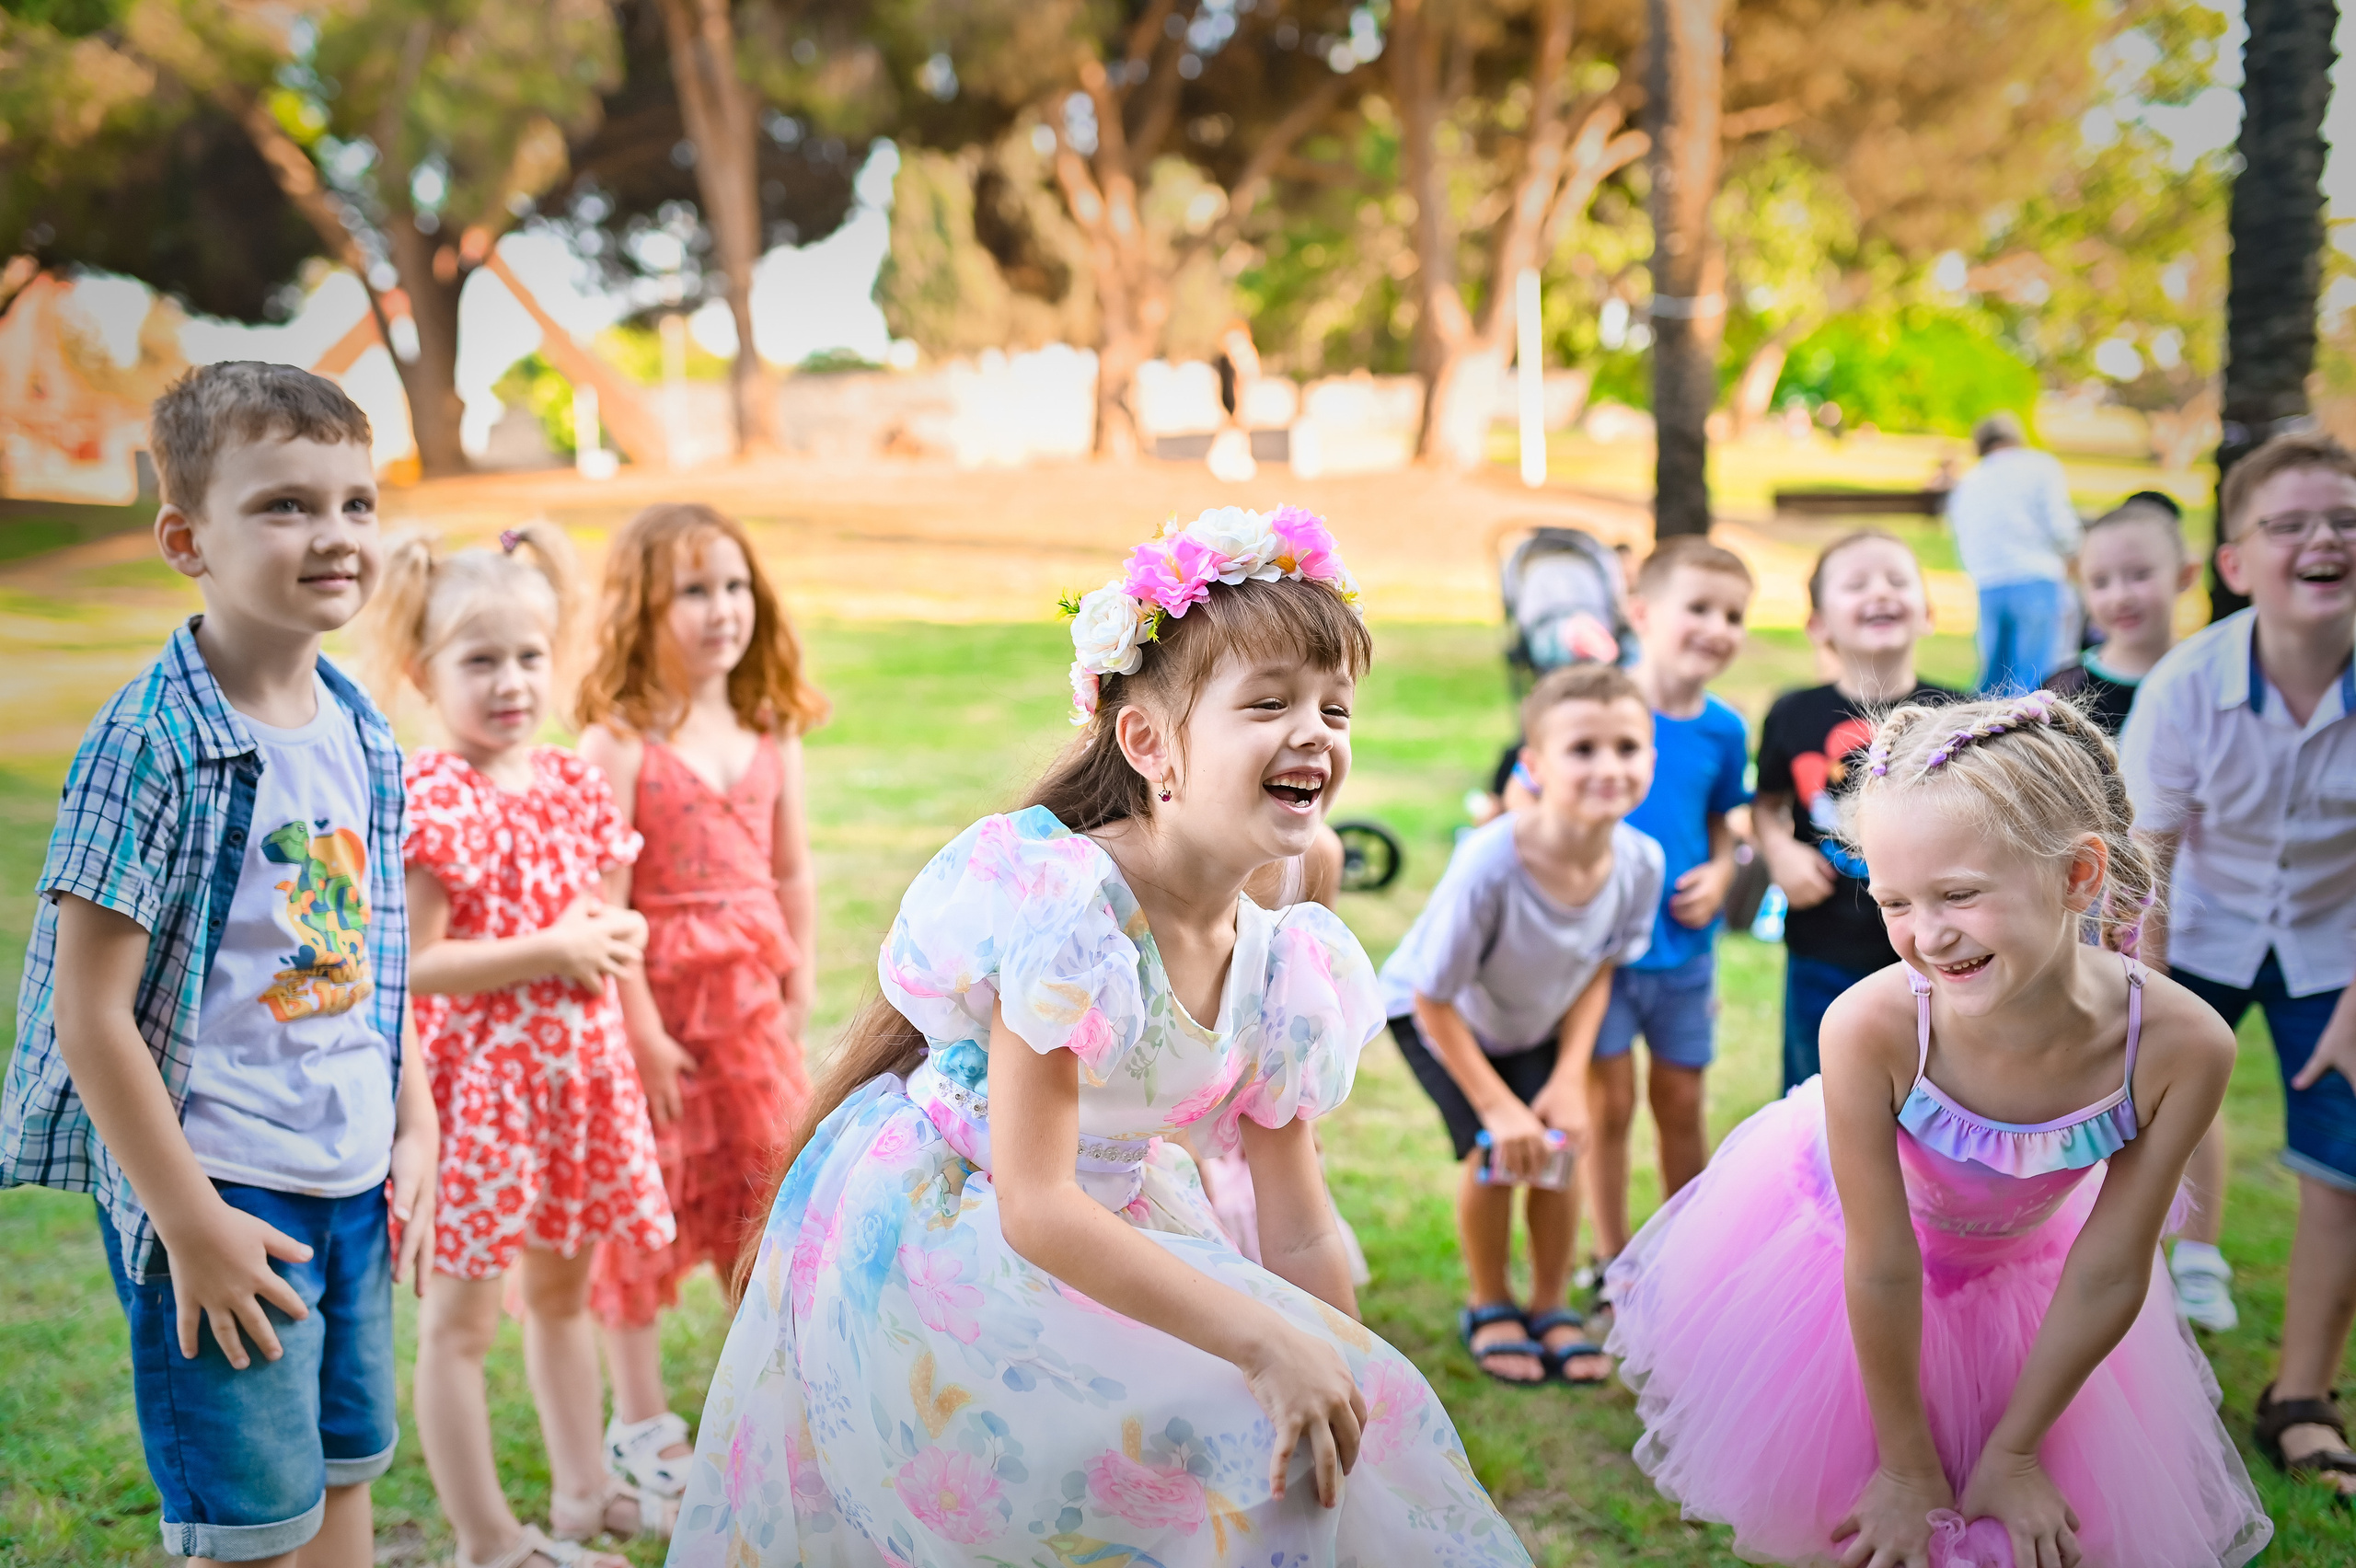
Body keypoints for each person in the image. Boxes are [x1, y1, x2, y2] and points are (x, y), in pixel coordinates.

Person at [663, 504, 1532, 1566]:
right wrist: (1263, 1341)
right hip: (958, 1230)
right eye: (1269, 704)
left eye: (1335, 711)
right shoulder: (1069, 908)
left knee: (1337, 1436)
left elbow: (1295, 1222)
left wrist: (1339, 1364)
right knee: (1150, 1465)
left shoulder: (1287, 943)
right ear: (1150, 744)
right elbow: (1037, 1205)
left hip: (1114, 1213)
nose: (1314, 732)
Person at [1607, 689, 2271, 1568]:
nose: (1926, 937)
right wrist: (1907, 1468)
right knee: (1876, 1519)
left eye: (1957, 894)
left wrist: (2018, 1449)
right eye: (1894, 902)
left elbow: (2114, 1264)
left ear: (2079, 874)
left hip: (2024, 1265)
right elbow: (1880, 1265)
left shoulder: (2182, 1047)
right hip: (1845, 1260)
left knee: (2023, 1510)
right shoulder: (1871, 1026)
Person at [0, 363, 436, 1565]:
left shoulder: (361, 730)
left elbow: (374, 958)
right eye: (286, 505)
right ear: (186, 538)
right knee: (249, 1527)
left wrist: (414, 1123)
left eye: (356, 502)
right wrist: (188, 1222)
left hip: (348, 1176)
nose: (335, 534)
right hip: (222, 1191)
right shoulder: (149, 744)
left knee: (346, 1471)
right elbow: (91, 1018)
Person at [366, 525, 676, 1567]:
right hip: (477, 1095)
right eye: (479, 660)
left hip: (575, 1081)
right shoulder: (433, 797)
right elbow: (405, 962)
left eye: (529, 657)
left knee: (560, 1297)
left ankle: (585, 1495)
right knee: (460, 1324)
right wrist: (550, 946)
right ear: (422, 671)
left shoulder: (567, 783)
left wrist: (607, 937)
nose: (510, 682)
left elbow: (591, 919)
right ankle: (486, 1539)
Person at [573, 503, 827, 1512]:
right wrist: (639, 1031)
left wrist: (798, 967)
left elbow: (792, 869)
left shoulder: (767, 727)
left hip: (751, 1015)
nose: (722, 610)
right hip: (660, 1015)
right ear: (643, 608)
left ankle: (761, 1391)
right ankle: (639, 1424)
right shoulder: (621, 740)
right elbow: (603, 905)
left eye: (733, 587)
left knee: (763, 1196)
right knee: (643, 1211)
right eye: (693, 591)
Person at [2119, 430, 2356, 1493]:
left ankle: (2299, 1398)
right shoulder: (2183, 687)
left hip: (2333, 947)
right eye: (2291, 523)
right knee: (2121, 1134)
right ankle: (2109, 1371)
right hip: (2195, 934)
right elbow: (2144, 864)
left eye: (2345, 522)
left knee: (2345, 1164)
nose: (2323, 540)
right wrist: (2155, 1008)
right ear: (2235, 563)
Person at [1381, 663, 1664, 1388]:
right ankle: (1490, 1302)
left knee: (1559, 1144)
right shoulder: (1492, 864)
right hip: (1437, 1016)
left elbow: (1600, 968)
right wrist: (1496, 1104)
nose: (1610, 767)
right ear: (1534, 766)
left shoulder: (1640, 863)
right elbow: (1431, 997)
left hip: (1535, 1021)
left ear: (1652, 757)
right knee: (1497, 1153)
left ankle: (1547, 1305)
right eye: (1583, 750)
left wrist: (1570, 1079)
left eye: (1627, 748)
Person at [1584, 537, 1754, 1293]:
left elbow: (1725, 820)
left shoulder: (1724, 728)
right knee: (1609, 1105)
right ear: (1642, 612)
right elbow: (1536, 792)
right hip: (1600, 956)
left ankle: (1688, 1259)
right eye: (1700, 608)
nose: (1717, 627)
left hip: (1685, 949)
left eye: (1734, 615)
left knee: (1681, 1100)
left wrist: (1723, 871)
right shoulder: (1597, 704)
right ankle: (1613, 1263)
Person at [1755, 531, 1959, 1090]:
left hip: (1937, 952)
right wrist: (1780, 852)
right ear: (1818, 624)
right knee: (1817, 1101)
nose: (1880, 593)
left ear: (1928, 612)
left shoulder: (1959, 715)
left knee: (1933, 1106)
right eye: (1856, 584)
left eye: (1897, 581)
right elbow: (1767, 802)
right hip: (1824, 949)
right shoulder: (1793, 713)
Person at [1944, 409, 2084, 695]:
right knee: (2034, 677)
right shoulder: (2040, 467)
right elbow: (2062, 525)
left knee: (1993, 680)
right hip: (2036, 579)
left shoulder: (1969, 483)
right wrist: (2077, 556)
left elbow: (1961, 534)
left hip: (1989, 584)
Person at [2042, 497, 2200, 733]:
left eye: (2140, 575)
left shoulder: (2210, 677)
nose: (2120, 597)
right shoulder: (2064, 693)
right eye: (2100, 582)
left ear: (2185, 575)